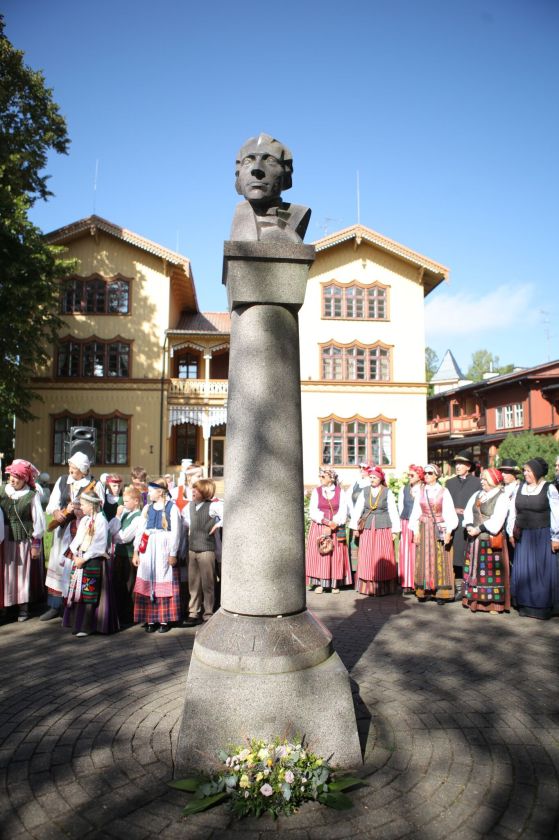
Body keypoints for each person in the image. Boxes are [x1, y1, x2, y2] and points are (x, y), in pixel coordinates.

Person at [42, 453, 103, 621]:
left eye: (75, 470)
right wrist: (57, 512)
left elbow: (99, 508)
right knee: (58, 564)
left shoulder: (95, 485)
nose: (71, 472)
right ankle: (55, 605)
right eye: (70, 468)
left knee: (75, 568)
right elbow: (51, 505)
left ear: (83, 471)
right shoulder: (62, 481)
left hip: (82, 533)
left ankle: (73, 608)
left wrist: (79, 510)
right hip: (63, 533)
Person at [231, 133, 311, 243]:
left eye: (270, 160)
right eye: (248, 161)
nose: (257, 169)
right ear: (238, 178)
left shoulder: (299, 214)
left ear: (286, 177)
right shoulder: (241, 217)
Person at [507, 458, 559, 620]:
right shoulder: (519, 488)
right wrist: (510, 532)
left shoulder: (549, 488)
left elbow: (556, 513)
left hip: (542, 536)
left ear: (537, 472)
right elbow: (513, 511)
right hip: (524, 536)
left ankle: (542, 607)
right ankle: (525, 604)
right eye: (524, 471)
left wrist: (556, 537)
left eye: (528, 471)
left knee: (541, 572)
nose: (525, 474)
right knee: (525, 571)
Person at [132, 478, 181, 633]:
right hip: (147, 549)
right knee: (148, 578)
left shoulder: (171, 508)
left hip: (162, 548)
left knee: (162, 578)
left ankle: (164, 619)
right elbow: (140, 530)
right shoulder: (147, 508)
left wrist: (173, 553)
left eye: (151, 490)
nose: (148, 493)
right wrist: (136, 551)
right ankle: (150, 618)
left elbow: (176, 533)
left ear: (160, 492)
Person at [0, 460, 46, 621]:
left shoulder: (31, 496)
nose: (12, 480)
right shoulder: (2, 491)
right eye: (11, 476)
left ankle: (23, 607)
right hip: (4, 539)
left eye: (17, 477)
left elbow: (39, 521)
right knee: (6, 573)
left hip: (22, 540)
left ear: (25, 479)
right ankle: (6, 605)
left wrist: (36, 544)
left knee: (21, 573)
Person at [409, 464, 458, 604]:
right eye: (425, 473)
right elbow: (416, 511)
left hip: (438, 528)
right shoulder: (421, 491)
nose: (427, 475)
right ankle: (423, 591)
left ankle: (441, 593)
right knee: (423, 558)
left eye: (430, 473)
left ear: (436, 475)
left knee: (440, 559)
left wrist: (449, 530)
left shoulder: (444, 491)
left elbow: (449, 512)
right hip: (424, 527)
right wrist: (415, 530)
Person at [463, 468, 510, 613]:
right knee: (475, 571)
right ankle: (474, 601)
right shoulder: (478, 494)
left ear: (494, 480)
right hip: (475, 539)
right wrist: (469, 525)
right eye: (482, 479)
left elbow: (497, 521)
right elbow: (468, 512)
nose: (482, 481)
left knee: (490, 572)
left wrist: (479, 529)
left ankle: (493, 605)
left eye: (485, 479)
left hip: (490, 540)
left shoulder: (502, 497)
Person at [63, 492, 109, 637]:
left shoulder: (101, 521)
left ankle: (88, 626)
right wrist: (75, 554)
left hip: (93, 560)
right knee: (78, 592)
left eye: (83, 504)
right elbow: (77, 539)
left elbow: (100, 545)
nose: (81, 507)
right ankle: (77, 623)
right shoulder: (85, 520)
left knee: (90, 593)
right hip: (81, 559)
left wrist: (85, 558)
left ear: (91, 505)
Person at [351, 466, 400, 596]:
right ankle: (366, 586)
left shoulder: (387, 492)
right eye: (370, 477)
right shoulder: (365, 491)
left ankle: (382, 586)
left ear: (380, 479)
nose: (372, 480)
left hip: (383, 526)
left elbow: (393, 511)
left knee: (381, 553)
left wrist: (395, 531)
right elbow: (358, 509)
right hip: (367, 526)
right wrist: (355, 527)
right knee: (367, 554)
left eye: (374, 478)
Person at [181, 478, 223, 625]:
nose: (193, 491)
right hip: (192, 550)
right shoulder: (189, 507)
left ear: (204, 492)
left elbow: (227, 513)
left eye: (197, 489)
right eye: (193, 488)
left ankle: (208, 613)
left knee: (208, 584)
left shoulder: (212, 507)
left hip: (207, 551)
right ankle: (193, 612)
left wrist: (218, 524)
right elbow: (185, 525)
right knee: (193, 584)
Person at [306, 468, 352, 594]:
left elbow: (343, 510)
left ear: (331, 478)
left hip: (335, 526)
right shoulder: (316, 491)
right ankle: (319, 583)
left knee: (335, 554)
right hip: (320, 525)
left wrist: (335, 523)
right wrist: (326, 521)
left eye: (323, 476)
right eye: (320, 476)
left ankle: (334, 583)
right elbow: (313, 511)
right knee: (321, 553)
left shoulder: (340, 492)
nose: (320, 478)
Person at [445, 450, 482, 599]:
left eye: (461, 463)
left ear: (469, 466)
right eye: (456, 463)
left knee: (466, 553)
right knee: (453, 553)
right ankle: (452, 584)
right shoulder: (449, 483)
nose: (458, 466)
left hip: (469, 523)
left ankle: (466, 585)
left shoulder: (477, 483)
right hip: (452, 521)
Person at [108, 485, 144, 626]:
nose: (124, 504)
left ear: (136, 501)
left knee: (129, 585)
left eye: (127, 501)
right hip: (119, 555)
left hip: (129, 556)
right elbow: (110, 530)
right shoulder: (123, 513)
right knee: (118, 584)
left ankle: (128, 616)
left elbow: (124, 537)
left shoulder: (139, 517)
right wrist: (117, 516)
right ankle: (119, 613)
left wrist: (115, 535)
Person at [398, 465, 425, 593]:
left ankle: (418, 581)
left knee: (418, 552)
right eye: (408, 475)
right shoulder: (404, 489)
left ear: (420, 476)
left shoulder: (425, 489)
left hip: (420, 524)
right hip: (405, 522)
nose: (409, 477)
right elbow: (400, 507)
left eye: (412, 475)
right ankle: (406, 583)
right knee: (406, 552)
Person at [347, 464, 371, 574]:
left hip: (367, 520)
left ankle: (366, 572)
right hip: (355, 519)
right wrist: (353, 516)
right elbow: (348, 498)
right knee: (354, 547)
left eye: (364, 468)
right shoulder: (356, 482)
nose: (361, 470)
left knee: (366, 548)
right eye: (360, 468)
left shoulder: (372, 483)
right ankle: (354, 575)